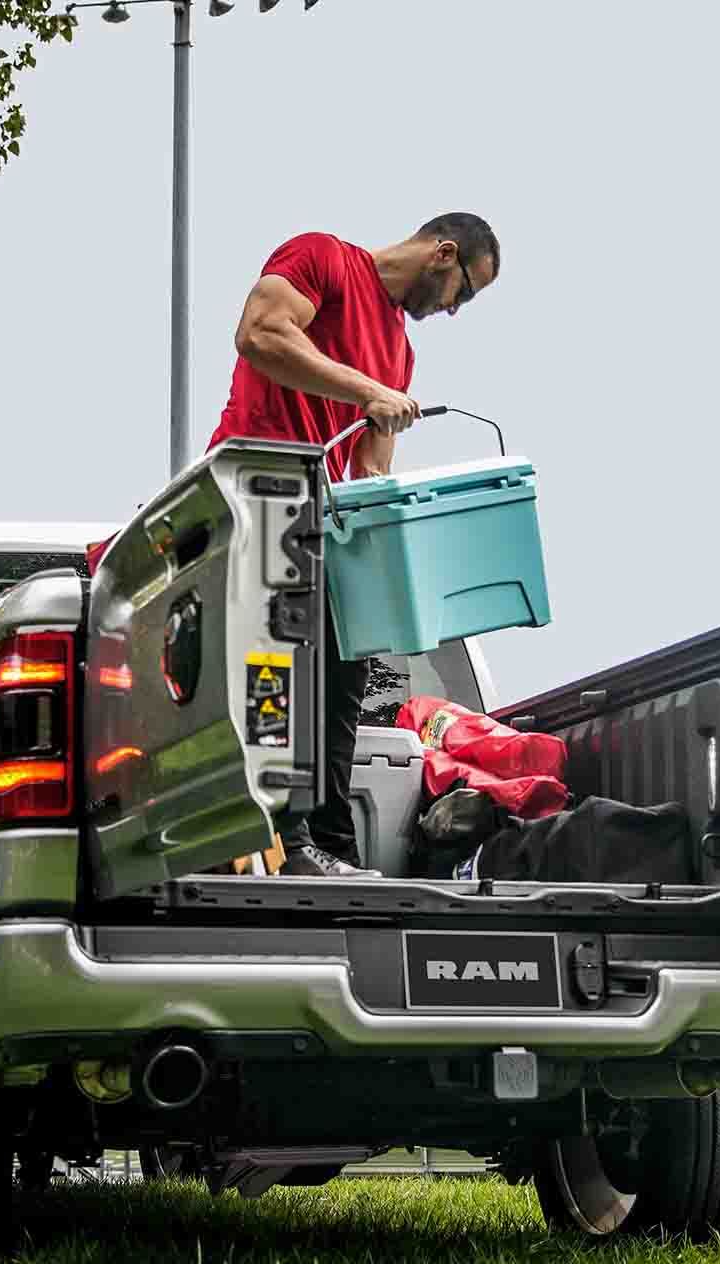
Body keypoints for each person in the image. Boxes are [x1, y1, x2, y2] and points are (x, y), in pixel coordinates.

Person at [209, 213, 501, 877]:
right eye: (464, 290)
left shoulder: (399, 353)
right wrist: (368, 390)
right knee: (277, 671)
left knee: (345, 672)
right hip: (257, 498)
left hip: (324, 526)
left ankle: (330, 848)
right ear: (443, 253)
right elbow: (260, 333)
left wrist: (400, 567)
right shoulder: (325, 260)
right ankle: (284, 839)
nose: (455, 309)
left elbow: (370, 472)